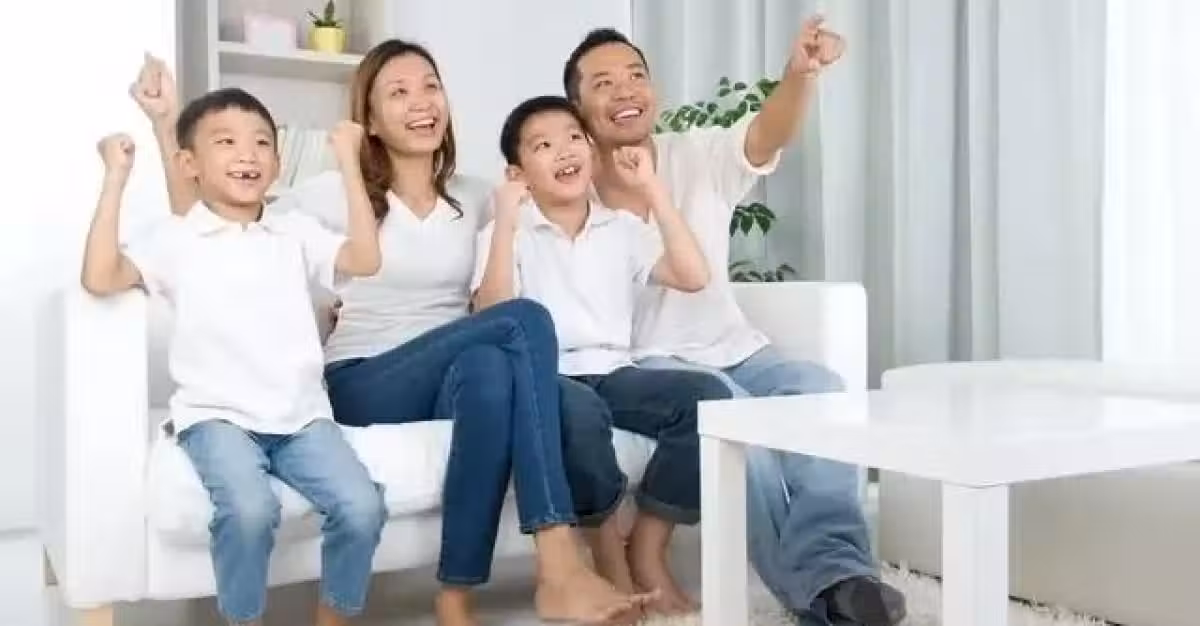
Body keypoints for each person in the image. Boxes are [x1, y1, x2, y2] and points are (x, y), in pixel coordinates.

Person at [129, 44, 642, 626]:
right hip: (365, 377)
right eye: (398, 93)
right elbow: (211, 223)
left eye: (430, 86)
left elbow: (557, 223)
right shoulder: (331, 193)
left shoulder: (478, 198)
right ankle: (559, 564)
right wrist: (165, 124)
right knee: (524, 321)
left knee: (493, 371)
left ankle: (455, 594)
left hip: (451, 372)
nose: (421, 102)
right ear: (370, 119)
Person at [562, 19, 908, 626]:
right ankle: (828, 592)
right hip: (647, 364)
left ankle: (841, 572)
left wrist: (799, 74)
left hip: (737, 348)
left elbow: (767, 133)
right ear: (577, 109)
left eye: (636, 76)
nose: (625, 91)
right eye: (603, 83)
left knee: (823, 391)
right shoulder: (569, 188)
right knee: (736, 418)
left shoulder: (697, 154)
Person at [81, 88, 387, 626]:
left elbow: (365, 259)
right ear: (189, 164)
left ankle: (334, 617)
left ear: (277, 162)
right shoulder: (177, 237)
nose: (248, 154)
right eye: (226, 142)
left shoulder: (294, 229)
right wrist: (115, 179)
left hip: (302, 417)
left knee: (362, 506)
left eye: (262, 143)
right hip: (217, 417)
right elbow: (100, 276)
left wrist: (348, 163)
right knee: (249, 510)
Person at [473, 95, 735, 617]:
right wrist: (504, 221)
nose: (564, 151)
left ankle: (648, 548)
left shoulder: (622, 229)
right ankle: (608, 557)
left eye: (574, 137)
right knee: (581, 412)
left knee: (708, 398)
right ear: (518, 173)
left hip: (615, 371)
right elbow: (492, 315)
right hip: (548, 377)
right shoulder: (507, 232)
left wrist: (652, 189)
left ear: (592, 152)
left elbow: (693, 276)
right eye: (542, 146)